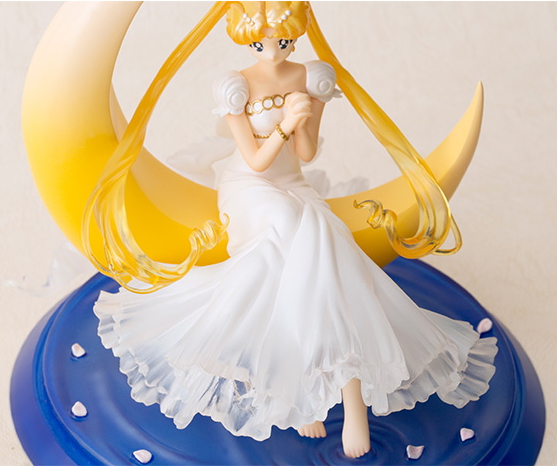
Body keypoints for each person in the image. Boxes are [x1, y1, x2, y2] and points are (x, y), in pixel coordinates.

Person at [86, 2, 497, 459]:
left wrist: (305, 117)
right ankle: (312, 396)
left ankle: (344, 400)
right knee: (298, 231)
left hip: (293, 184)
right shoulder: (237, 86)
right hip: (249, 188)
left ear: (295, 36)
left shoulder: (309, 76)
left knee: (328, 244)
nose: (273, 51)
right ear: (246, 39)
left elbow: (306, 154)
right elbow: (255, 160)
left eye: (283, 42)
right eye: (261, 43)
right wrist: (284, 124)